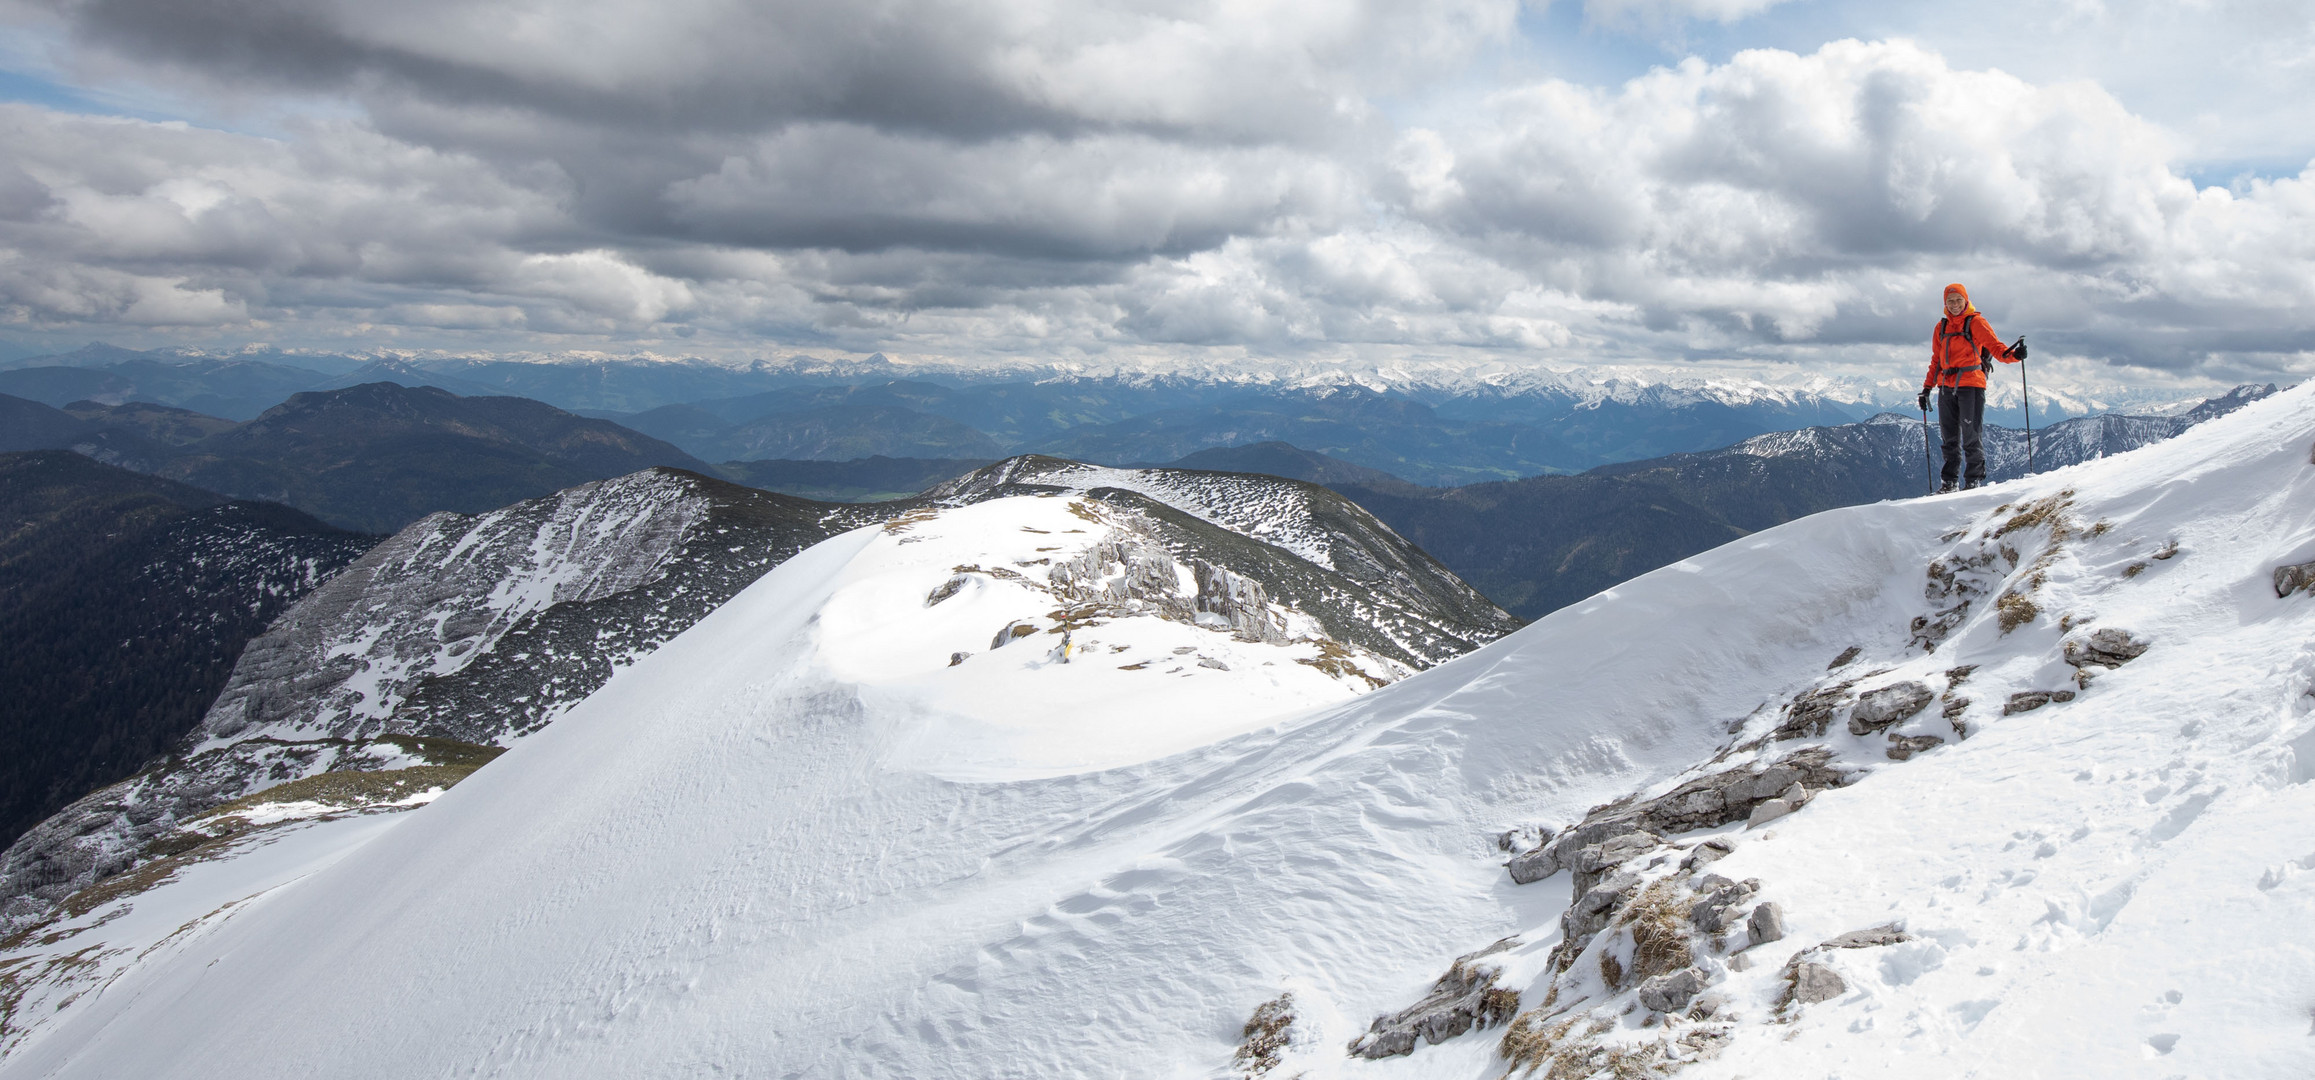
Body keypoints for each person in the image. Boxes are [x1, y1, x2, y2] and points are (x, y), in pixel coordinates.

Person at [1916, 283, 2025, 492]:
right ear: (1945, 303)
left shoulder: (1976, 322)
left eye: (1958, 300)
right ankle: (1949, 482)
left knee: (1971, 435)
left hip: (1971, 385)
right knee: (1949, 437)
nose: (1955, 304)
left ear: (1966, 300)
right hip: (1946, 387)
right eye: (1950, 301)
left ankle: (1973, 480)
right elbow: (1936, 360)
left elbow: (1995, 346)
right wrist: (1927, 388)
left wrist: (2013, 357)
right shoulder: (1941, 328)